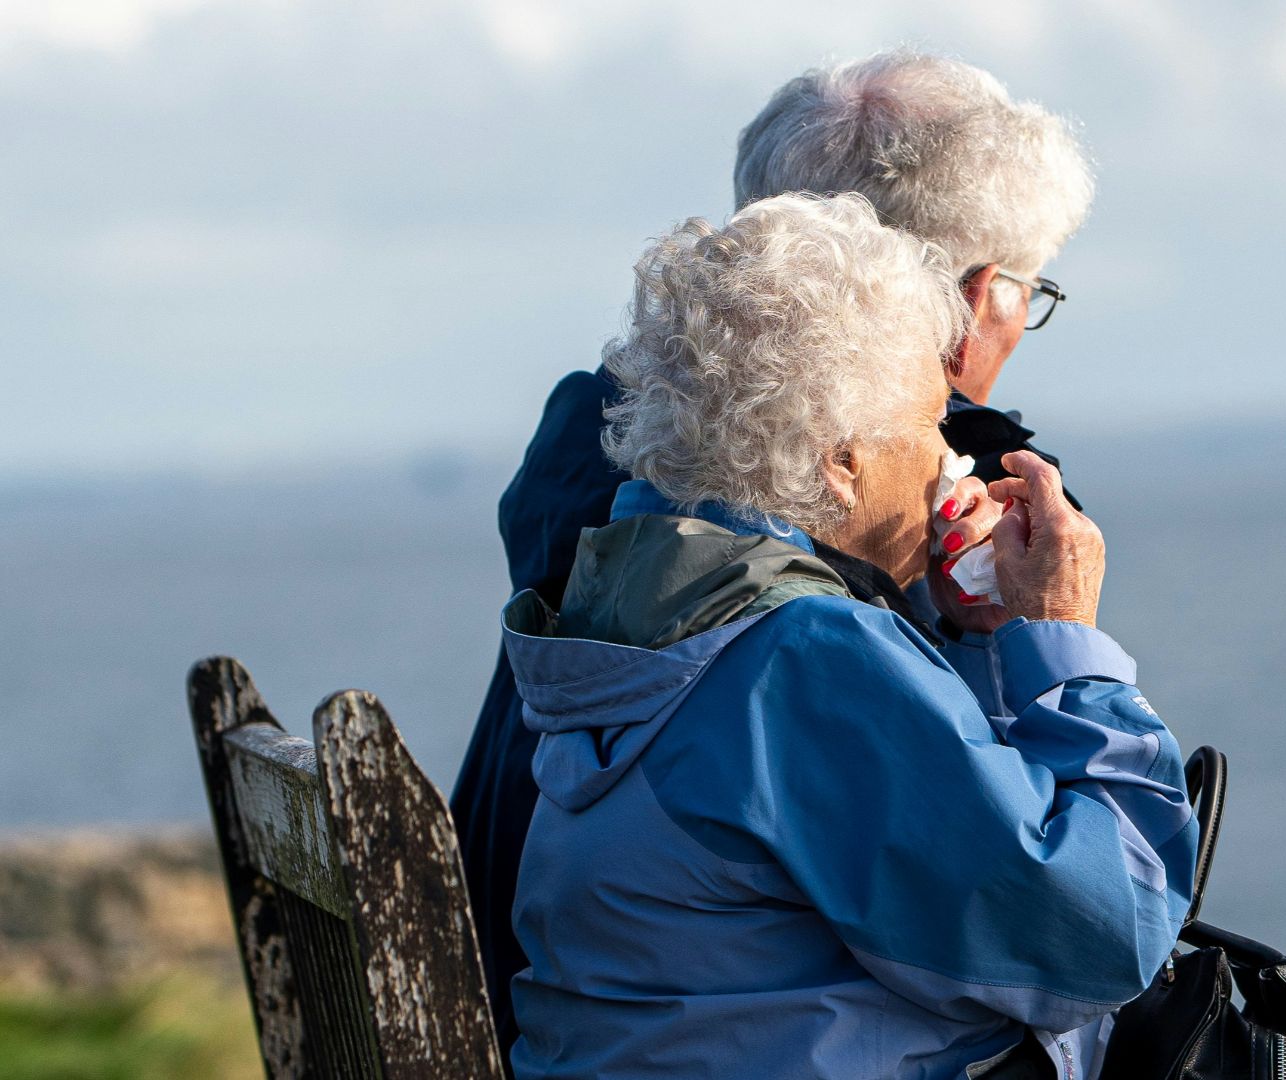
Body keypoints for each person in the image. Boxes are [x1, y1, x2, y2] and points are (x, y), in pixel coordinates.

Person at [451, 49, 1097, 1063]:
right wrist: (1044, 638)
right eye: (1028, 286)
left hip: (532, 984)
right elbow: (1055, 930)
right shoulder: (891, 524)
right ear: (970, 298)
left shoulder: (609, 457)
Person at [501, 192, 1195, 1080]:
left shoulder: (642, 595)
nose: (951, 456)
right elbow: (1098, 937)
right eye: (927, 422)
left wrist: (974, 632)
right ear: (841, 462)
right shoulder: (798, 657)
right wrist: (1060, 638)